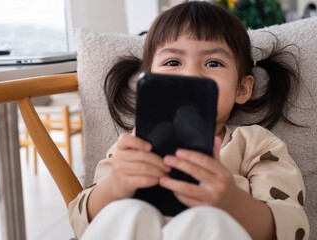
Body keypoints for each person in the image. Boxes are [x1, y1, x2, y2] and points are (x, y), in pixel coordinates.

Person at [69, 2, 309, 239]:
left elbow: (293, 227)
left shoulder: (256, 144)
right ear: (148, 83)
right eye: (173, 62)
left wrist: (231, 201)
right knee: (128, 211)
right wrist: (115, 186)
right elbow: (83, 223)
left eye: (213, 63)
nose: (191, 75)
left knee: (205, 220)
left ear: (242, 89)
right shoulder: (135, 144)